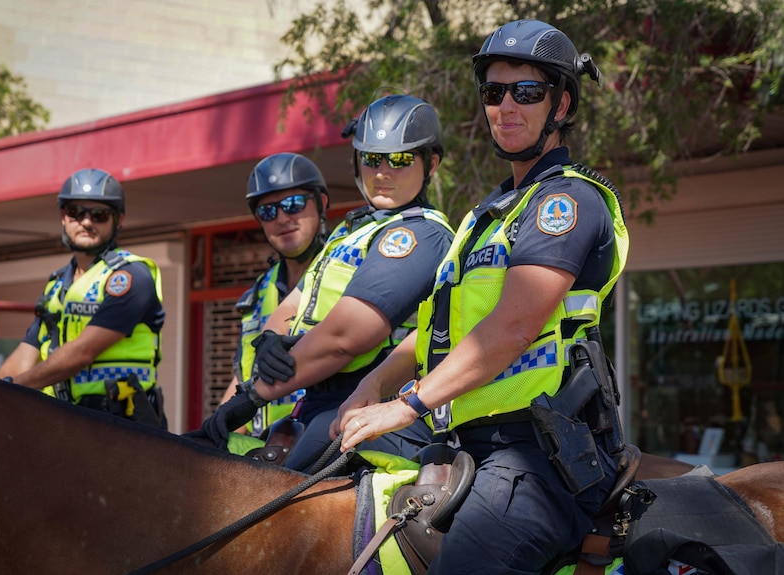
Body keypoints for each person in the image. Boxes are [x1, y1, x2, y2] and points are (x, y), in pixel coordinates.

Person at [332, 19, 630, 574]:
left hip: (538, 458)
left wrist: (405, 405)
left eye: (527, 93)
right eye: (495, 93)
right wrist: (371, 387)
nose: (506, 107)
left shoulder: (565, 203)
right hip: (465, 443)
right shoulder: (485, 218)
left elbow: (512, 329)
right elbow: (437, 332)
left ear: (561, 105)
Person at [197, 94, 456, 471]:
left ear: (430, 163)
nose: (382, 171)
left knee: (278, 510)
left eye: (399, 159)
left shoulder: (419, 234)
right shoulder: (349, 233)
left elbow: (344, 339)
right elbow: (294, 302)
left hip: (369, 403)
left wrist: (252, 397)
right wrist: (270, 338)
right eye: (371, 158)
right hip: (318, 403)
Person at [0, 168, 167, 428]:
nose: (87, 222)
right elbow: (26, 353)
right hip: (62, 421)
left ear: (118, 220)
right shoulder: (56, 285)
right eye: (77, 212)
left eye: (99, 215)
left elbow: (83, 352)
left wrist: (12, 388)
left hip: (124, 428)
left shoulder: (131, 277)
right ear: (64, 218)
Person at [219, 152, 331, 437]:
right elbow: (243, 374)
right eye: (268, 211)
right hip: (261, 449)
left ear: (322, 204)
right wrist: (218, 426)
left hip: (322, 440)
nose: (282, 218)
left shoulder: (344, 273)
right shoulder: (259, 290)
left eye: (292, 204)